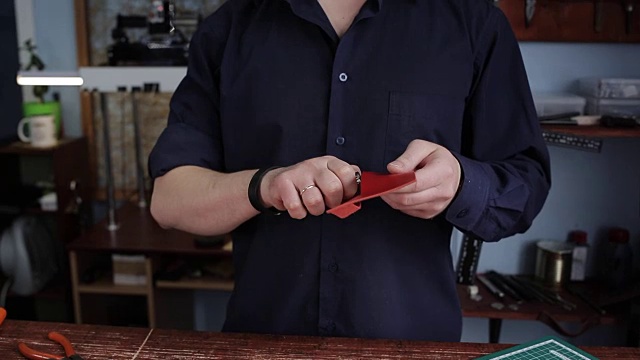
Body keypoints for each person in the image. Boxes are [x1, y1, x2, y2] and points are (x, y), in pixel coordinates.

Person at [148, 0, 551, 342]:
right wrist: (265, 185)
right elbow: (170, 201)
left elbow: (524, 187)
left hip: (413, 346)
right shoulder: (228, 29)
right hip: (265, 342)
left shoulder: (473, 23)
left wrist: (461, 183)